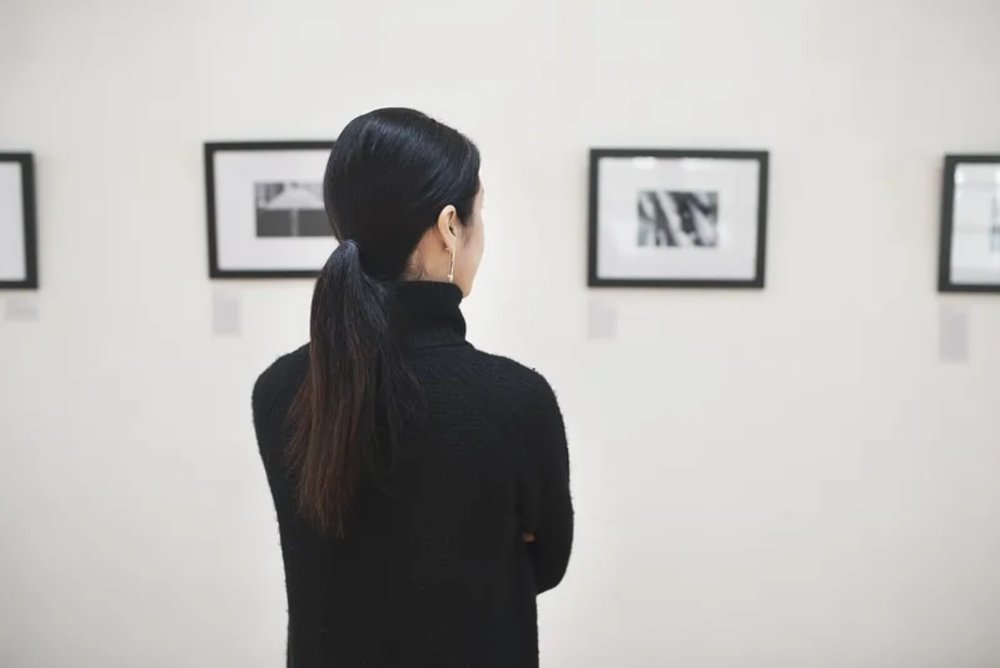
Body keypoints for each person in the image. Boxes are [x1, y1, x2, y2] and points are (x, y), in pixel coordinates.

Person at [251, 108, 574, 667]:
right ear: (450, 226)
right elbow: (546, 562)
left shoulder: (281, 389)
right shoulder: (515, 400)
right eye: (480, 216)